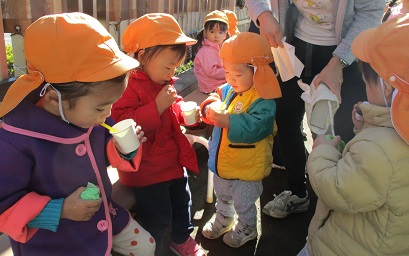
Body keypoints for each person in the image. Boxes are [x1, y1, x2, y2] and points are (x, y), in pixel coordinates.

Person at [0, 13, 155, 256]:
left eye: (111, 105)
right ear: (54, 98)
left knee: (147, 247)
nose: (108, 114)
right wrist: (60, 209)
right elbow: (4, 206)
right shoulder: (16, 140)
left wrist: (123, 147)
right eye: (101, 107)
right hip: (56, 244)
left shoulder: (86, 112)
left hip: (104, 216)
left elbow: (105, 150)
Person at [245, 0, 385, 219]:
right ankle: (297, 192)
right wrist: (264, 15)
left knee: (341, 130)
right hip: (293, 47)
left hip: (345, 52)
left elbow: (371, 12)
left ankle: (335, 200)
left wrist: (338, 63)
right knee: (286, 122)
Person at [298, 14, 409, 255]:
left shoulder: (379, 150)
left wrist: (322, 152)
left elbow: (337, 189)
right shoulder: (392, 138)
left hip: (346, 246)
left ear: (387, 88)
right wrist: (365, 129)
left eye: (366, 83)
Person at [111, 13, 205, 256]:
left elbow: (174, 106)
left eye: (175, 67)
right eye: (168, 66)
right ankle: (157, 248)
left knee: (182, 204)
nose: (171, 72)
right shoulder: (127, 85)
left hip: (173, 163)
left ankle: (181, 239)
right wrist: (158, 107)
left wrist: (186, 115)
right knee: (157, 216)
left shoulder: (163, 82)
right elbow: (123, 124)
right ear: (142, 55)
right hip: (148, 171)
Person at [199, 32, 281, 248]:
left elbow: (258, 127)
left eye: (237, 74)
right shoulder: (230, 88)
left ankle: (247, 227)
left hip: (247, 168)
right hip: (223, 161)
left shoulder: (263, 98)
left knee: (244, 202)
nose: (230, 79)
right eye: (226, 72)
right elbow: (217, 93)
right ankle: (224, 219)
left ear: (258, 73)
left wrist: (228, 121)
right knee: (223, 194)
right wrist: (210, 104)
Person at [193, 10, 238, 94]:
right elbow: (212, 72)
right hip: (211, 86)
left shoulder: (222, 46)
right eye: (212, 31)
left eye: (220, 32)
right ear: (205, 33)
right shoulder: (205, 51)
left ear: (225, 35)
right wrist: (229, 72)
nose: (216, 35)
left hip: (221, 82)